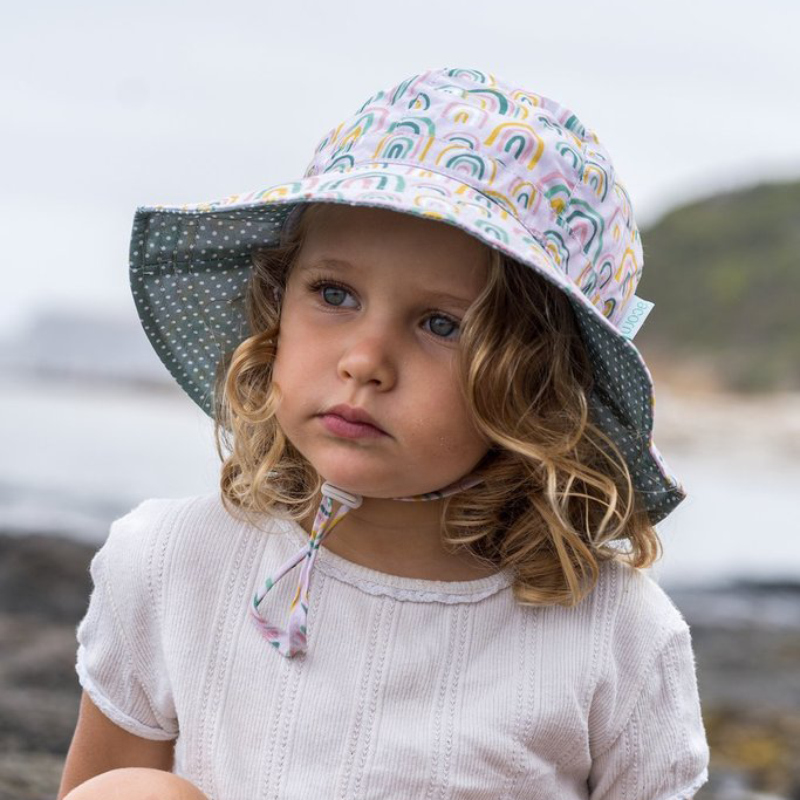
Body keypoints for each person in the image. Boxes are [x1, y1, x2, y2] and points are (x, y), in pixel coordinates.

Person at [59, 67, 710, 799]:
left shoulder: (616, 638)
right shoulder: (171, 563)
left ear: (536, 384)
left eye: (441, 324)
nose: (364, 361)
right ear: (277, 305)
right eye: (334, 294)